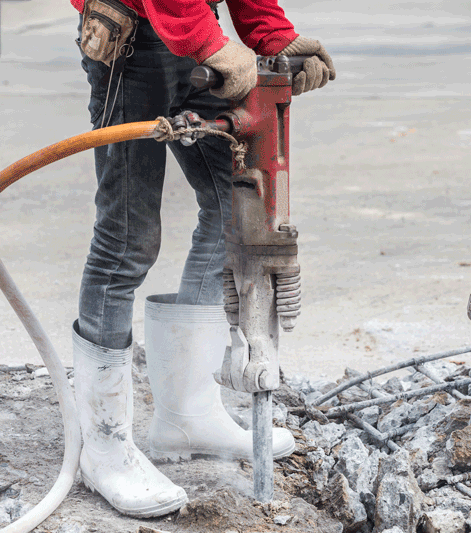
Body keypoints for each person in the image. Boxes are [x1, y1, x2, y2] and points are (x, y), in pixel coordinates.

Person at [70, 0, 334, 517]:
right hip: (133, 36)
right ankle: (102, 450)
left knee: (232, 204)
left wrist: (270, 33)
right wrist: (207, 42)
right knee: (126, 242)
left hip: (191, 30)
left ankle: (187, 413)